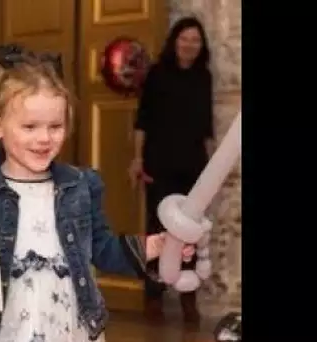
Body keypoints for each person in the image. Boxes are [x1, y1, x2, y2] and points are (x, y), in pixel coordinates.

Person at [0, 44, 182, 342]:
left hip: (68, 328)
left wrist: (153, 246)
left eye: (55, 126)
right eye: (30, 127)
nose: (44, 138)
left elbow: (102, 250)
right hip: (0, 332)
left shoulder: (80, 186)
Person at [128, 16, 214, 324]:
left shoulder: (204, 77)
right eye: (185, 38)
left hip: (193, 167)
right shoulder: (157, 75)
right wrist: (137, 160)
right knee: (157, 230)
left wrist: (211, 170)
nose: (190, 45)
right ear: (175, 40)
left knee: (191, 232)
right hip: (159, 165)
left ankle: (188, 299)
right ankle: (153, 298)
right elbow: (142, 122)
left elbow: (206, 130)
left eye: (196, 40)